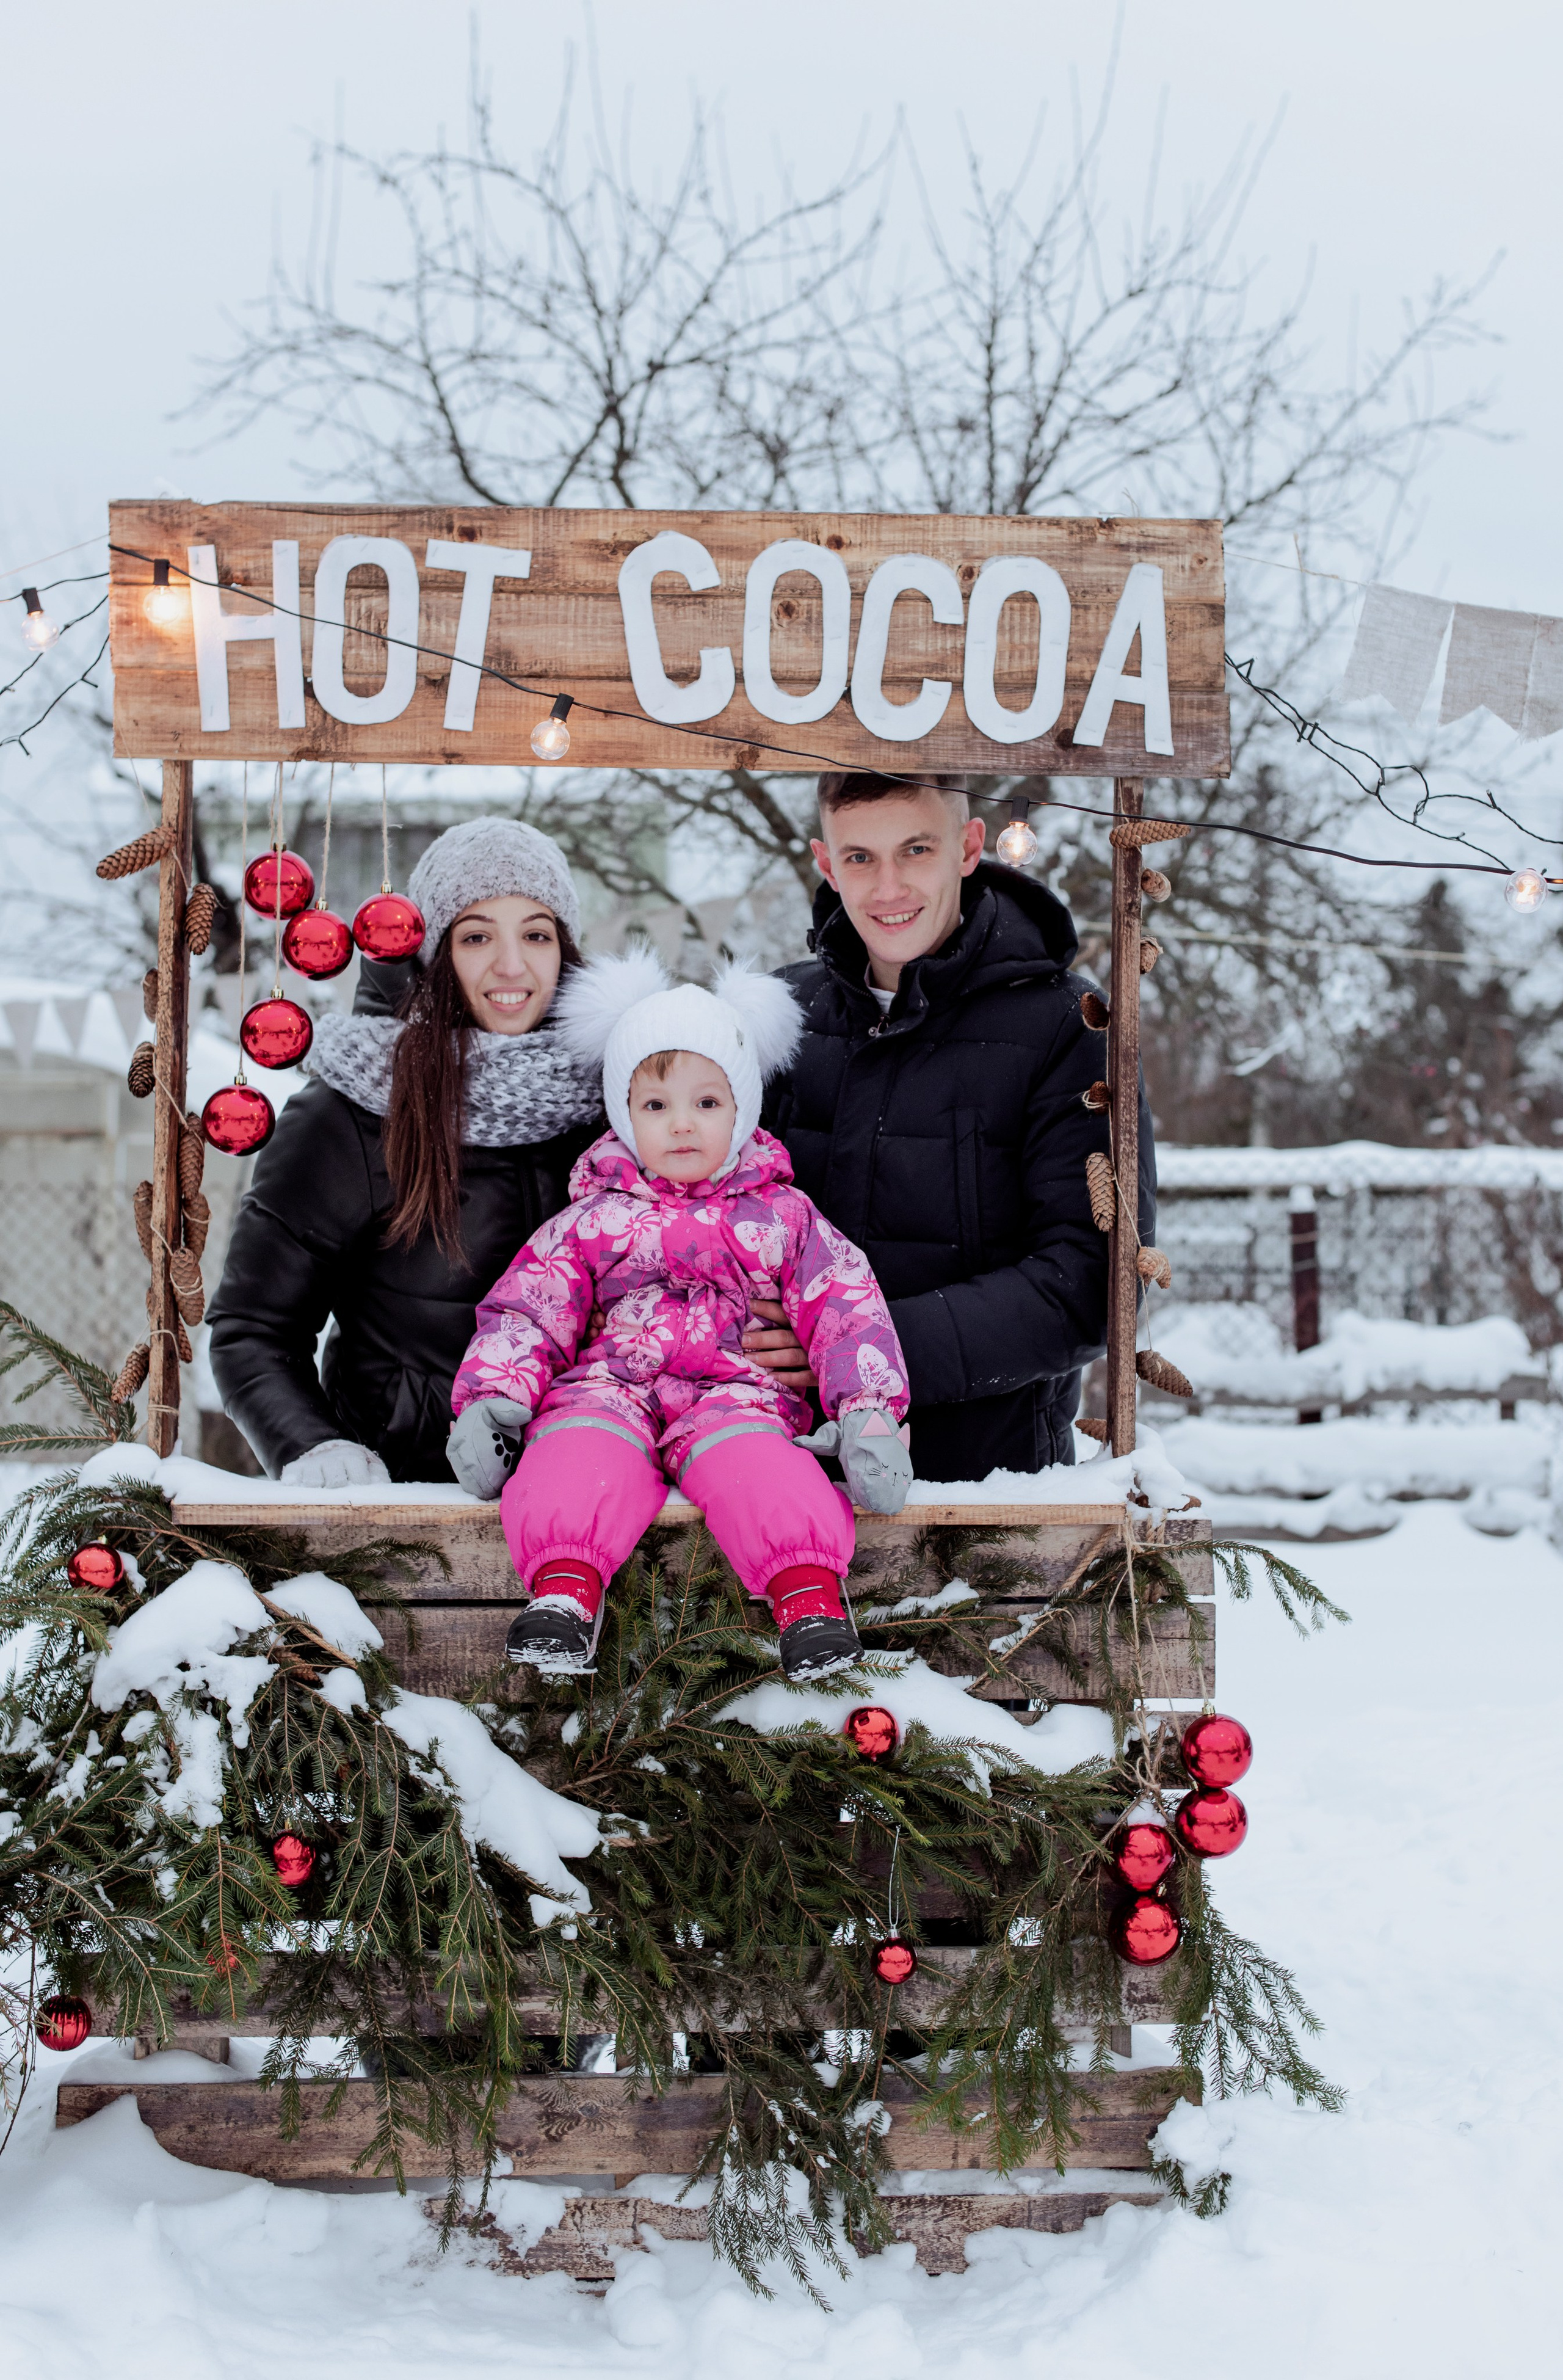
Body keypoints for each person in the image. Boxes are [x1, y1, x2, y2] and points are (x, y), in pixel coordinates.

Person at [445, 948, 913, 1681]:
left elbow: (846, 1309)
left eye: (707, 1102)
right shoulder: (592, 1218)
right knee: (573, 1454)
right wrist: (493, 1400)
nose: (682, 1125)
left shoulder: (783, 1216)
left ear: (743, 1109)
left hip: (737, 1397)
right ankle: (565, 1594)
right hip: (612, 1391)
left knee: (763, 1469)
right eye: (656, 1106)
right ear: (625, 1115)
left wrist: (869, 1411)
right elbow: (528, 1309)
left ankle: (809, 1600)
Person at [749, 770, 1155, 1483]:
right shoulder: (776, 1015)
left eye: (915, 850)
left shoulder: (1068, 1024)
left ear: (969, 847)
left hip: (982, 1491)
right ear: (825, 863)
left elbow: (1089, 1282)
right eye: (859, 858)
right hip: (775, 1483)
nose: (887, 888)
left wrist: (857, 1347)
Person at [207, 818, 604, 1485]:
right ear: (430, 952)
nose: (513, 965)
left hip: (597, 1493)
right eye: (477, 936)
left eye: (536, 934)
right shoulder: (354, 1109)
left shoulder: (620, 1098)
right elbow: (253, 1328)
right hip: (409, 1501)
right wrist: (314, 1448)